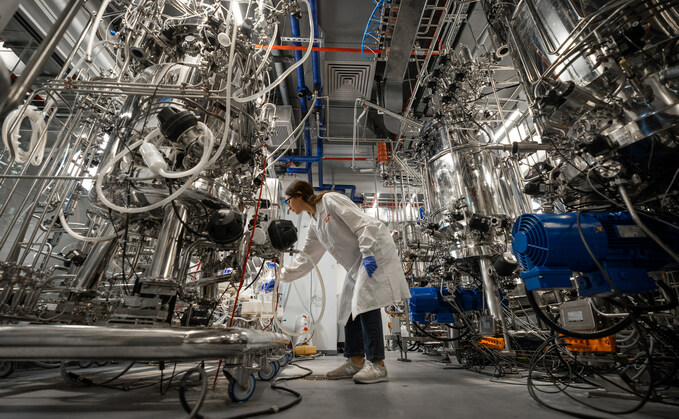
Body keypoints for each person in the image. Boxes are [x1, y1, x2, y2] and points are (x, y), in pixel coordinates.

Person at [279, 180, 411, 384]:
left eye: (288, 201)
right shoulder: (314, 223)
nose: (288, 206)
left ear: (298, 195)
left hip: (374, 251)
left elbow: (362, 223)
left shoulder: (330, 200)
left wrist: (368, 253)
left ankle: (378, 365)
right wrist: (282, 276)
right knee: (348, 308)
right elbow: (307, 258)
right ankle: (355, 361)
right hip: (356, 263)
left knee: (367, 303)